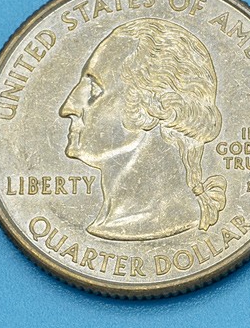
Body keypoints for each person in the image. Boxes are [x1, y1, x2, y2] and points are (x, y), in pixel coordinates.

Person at [59, 18, 227, 240]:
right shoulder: (114, 222)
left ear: (156, 104)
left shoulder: (166, 220)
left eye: (94, 90)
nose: (67, 108)